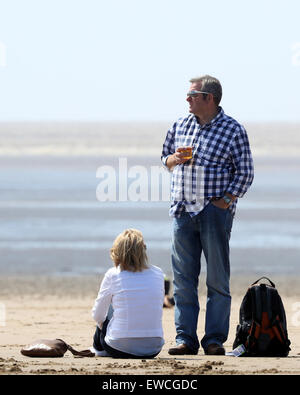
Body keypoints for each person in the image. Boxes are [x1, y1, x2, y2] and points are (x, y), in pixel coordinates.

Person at [161, 75, 254, 356]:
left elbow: (245, 172)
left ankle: (214, 340)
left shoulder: (233, 129)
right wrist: (175, 159)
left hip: (214, 213)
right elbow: (164, 158)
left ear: (209, 98)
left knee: (217, 280)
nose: (187, 99)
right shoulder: (180, 124)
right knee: (183, 280)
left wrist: (224, 201)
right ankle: (184, 339)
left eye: (193, 95)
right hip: (182, 211)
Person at [91, 228, 165, 358]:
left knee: (107, 306)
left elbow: (97, 315)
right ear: (143, 250)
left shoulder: (113, 274)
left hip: (119, 347)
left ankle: (99, 349)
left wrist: (105, 322)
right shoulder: (158, 272)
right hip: (154, 347)